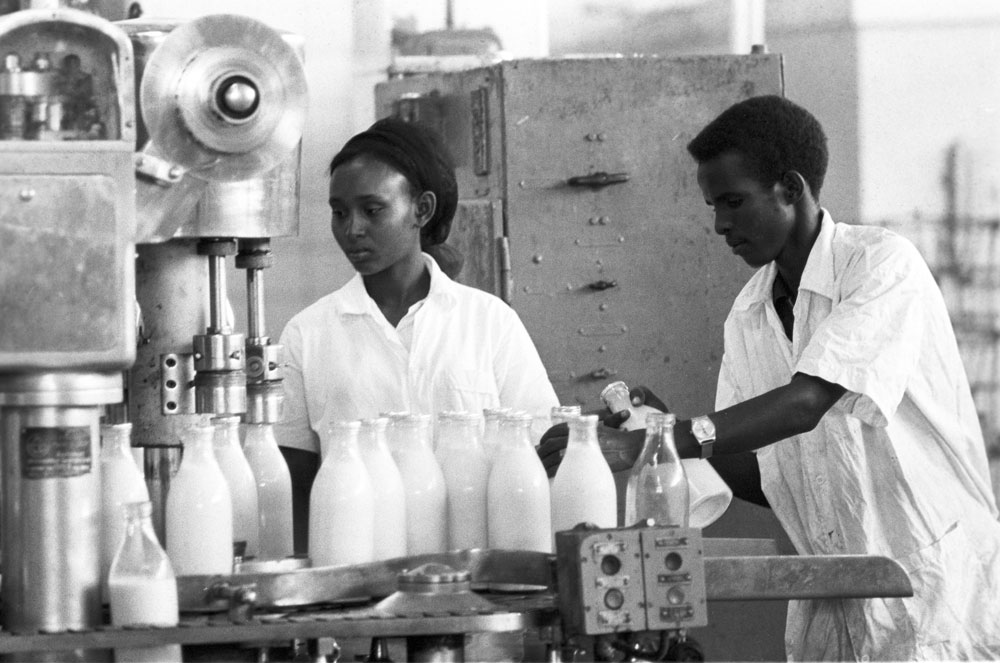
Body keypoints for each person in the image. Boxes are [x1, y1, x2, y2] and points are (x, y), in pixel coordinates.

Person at [538, 95, 1000, 661]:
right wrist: (663, 433)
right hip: (834, 606)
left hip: (932, 595)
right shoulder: (751, 312)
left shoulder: (880, 266)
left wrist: (658, 440)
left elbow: (807, 401)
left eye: (733, 202)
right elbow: (766, 477)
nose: (719, 225)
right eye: (713, 206)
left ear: (790, 187)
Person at [277, 117, 560, 554]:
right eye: (339, 212)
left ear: (422, 210)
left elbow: (543, 449)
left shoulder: (489, 322)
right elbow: (294, 481)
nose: (352, 229)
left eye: (372, 210)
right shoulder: (308, 334)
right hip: (359, 583)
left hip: (476, 576)